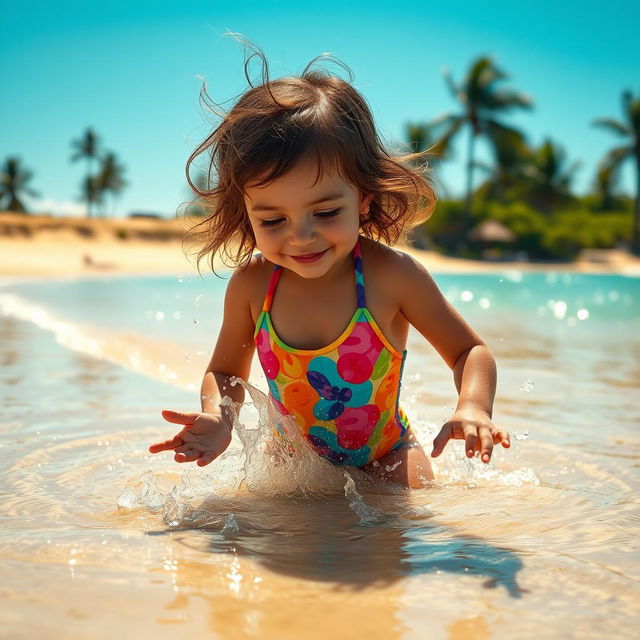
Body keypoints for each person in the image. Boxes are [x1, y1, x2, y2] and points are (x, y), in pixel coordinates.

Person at [149, 49, 510, 489]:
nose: (301, 236)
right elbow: (225, 372)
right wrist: (219, 416)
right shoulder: (252, 285)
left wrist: (472, 406)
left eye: (324, 213)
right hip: (290, 459)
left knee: (405, 524)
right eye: (273, 220)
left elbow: (469, 353)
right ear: (247, 214)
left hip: (387, 453)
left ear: (363, 197)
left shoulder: (391, 276)